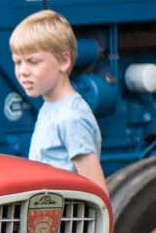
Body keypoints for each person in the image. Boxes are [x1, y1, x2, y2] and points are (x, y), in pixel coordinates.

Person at [8, 13, 101, 176]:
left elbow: (94, 185)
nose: (23, 71)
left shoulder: (72, 118)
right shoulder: (50, 107)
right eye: (17, 62)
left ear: (64, 61)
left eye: (33, 62)